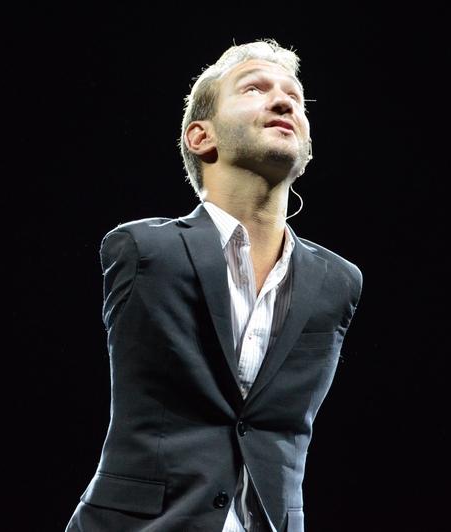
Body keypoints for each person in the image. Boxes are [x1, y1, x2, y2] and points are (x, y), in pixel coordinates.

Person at [65, 39, 363, 532]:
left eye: (294, 96)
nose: (284, 101)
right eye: (254, 88)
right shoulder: (145, 251)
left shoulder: (338, 282)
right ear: (201, 137)